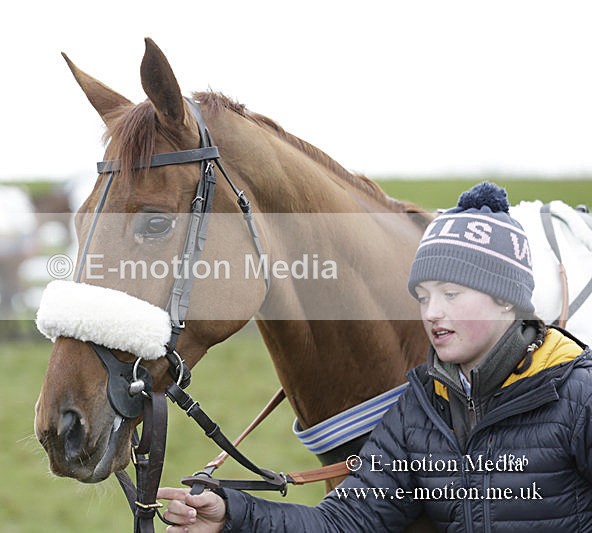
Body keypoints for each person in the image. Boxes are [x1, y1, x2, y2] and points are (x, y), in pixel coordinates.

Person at [157, 182, 592, 531]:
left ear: (506, 301)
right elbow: (343, 522)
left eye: (452, 294)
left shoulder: (579, 396)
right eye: (423, 296)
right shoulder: (419, 411)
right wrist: (232, 515)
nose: (432, 312)